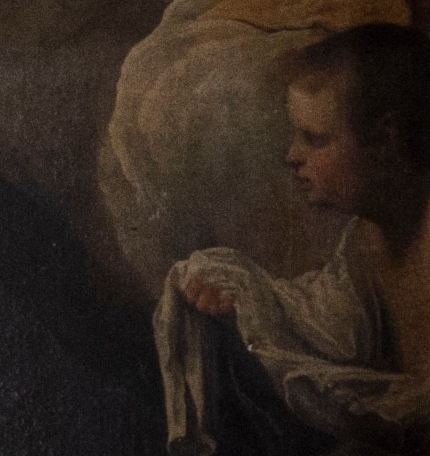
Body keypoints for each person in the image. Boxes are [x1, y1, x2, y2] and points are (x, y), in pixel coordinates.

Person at [163, 25, 430, 450]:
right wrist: (244, 297)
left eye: (314, 138)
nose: (292, 155)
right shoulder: (366, 236)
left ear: (386, 138)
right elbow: (333, 324)